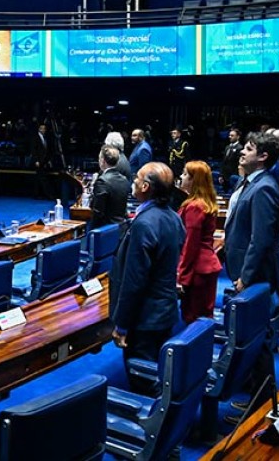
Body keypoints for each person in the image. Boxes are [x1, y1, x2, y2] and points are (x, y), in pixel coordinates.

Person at [222, 131, 279, 420]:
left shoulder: (264, 188)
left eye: (248, 148)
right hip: (246, 271)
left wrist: (246, 277)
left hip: (255, 276)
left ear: (263, 156)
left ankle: (262, 405)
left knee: (259, 339)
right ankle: (255, 394)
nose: (241, 152)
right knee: (253, 335)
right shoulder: (250, 182)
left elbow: (261, 239)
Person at [109, 161, 183, 395]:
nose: (133, 181)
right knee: (158, 372)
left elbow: (134, 280)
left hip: (144, 318)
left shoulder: (144, 223)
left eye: (137, 178)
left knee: (144, 382)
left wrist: (122, 324)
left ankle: (154, 417)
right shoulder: (173, 216)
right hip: (165, 311)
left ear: (145, 187)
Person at [176, 160, 223, 324]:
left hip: (198, 269)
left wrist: (182, 276)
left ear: (194, 180)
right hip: (205, 265)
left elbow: (191, 244)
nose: (181, 177)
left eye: (185, 174)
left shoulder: (195, 206)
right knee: (203, 315)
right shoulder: (204, 202)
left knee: (194, 318)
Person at [89, 144, 130, 228]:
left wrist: (91, 231)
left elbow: (98, 212)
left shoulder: (102, 181)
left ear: (103, 161)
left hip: (106, 229)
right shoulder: (124, 179)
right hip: (121, 227)